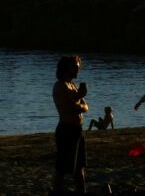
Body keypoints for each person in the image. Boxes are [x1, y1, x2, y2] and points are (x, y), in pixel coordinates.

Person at [52, 55, 88, 195]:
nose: (78, 70)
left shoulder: (72, 85)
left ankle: (81, 192)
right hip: (66, 129)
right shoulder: (61, 85)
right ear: (67, 68)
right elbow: (73, 107)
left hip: (77, 129)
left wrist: (80, 100)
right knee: (62, 167)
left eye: (78, 67)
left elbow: (86, 107)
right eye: (75, 67)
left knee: (79, 166)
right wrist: (79, 98)